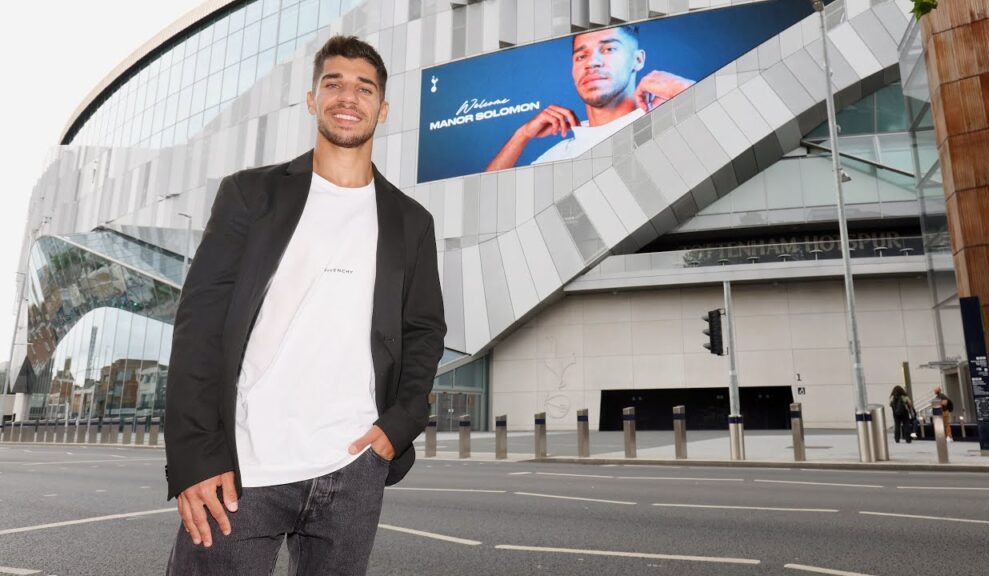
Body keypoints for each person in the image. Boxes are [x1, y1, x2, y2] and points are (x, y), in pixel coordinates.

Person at [163, 35, 446, 576]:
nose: (348, 96)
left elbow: (424, 330)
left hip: (355, 465)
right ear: (313, 100)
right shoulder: (251, 195)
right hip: (243, 467)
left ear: (382, 109)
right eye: (333, 83)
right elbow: (199, 328)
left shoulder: (411, 222)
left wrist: (399, 425)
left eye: (364, 88)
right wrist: (196, 458)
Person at [486, 25, 693, 170]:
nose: (591, 62)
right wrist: (521, 135)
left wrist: (687, 90)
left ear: (637, 60)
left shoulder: (674, 119)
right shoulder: (559, 156)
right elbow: (485, 208)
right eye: (581, 56)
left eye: (609, 49)